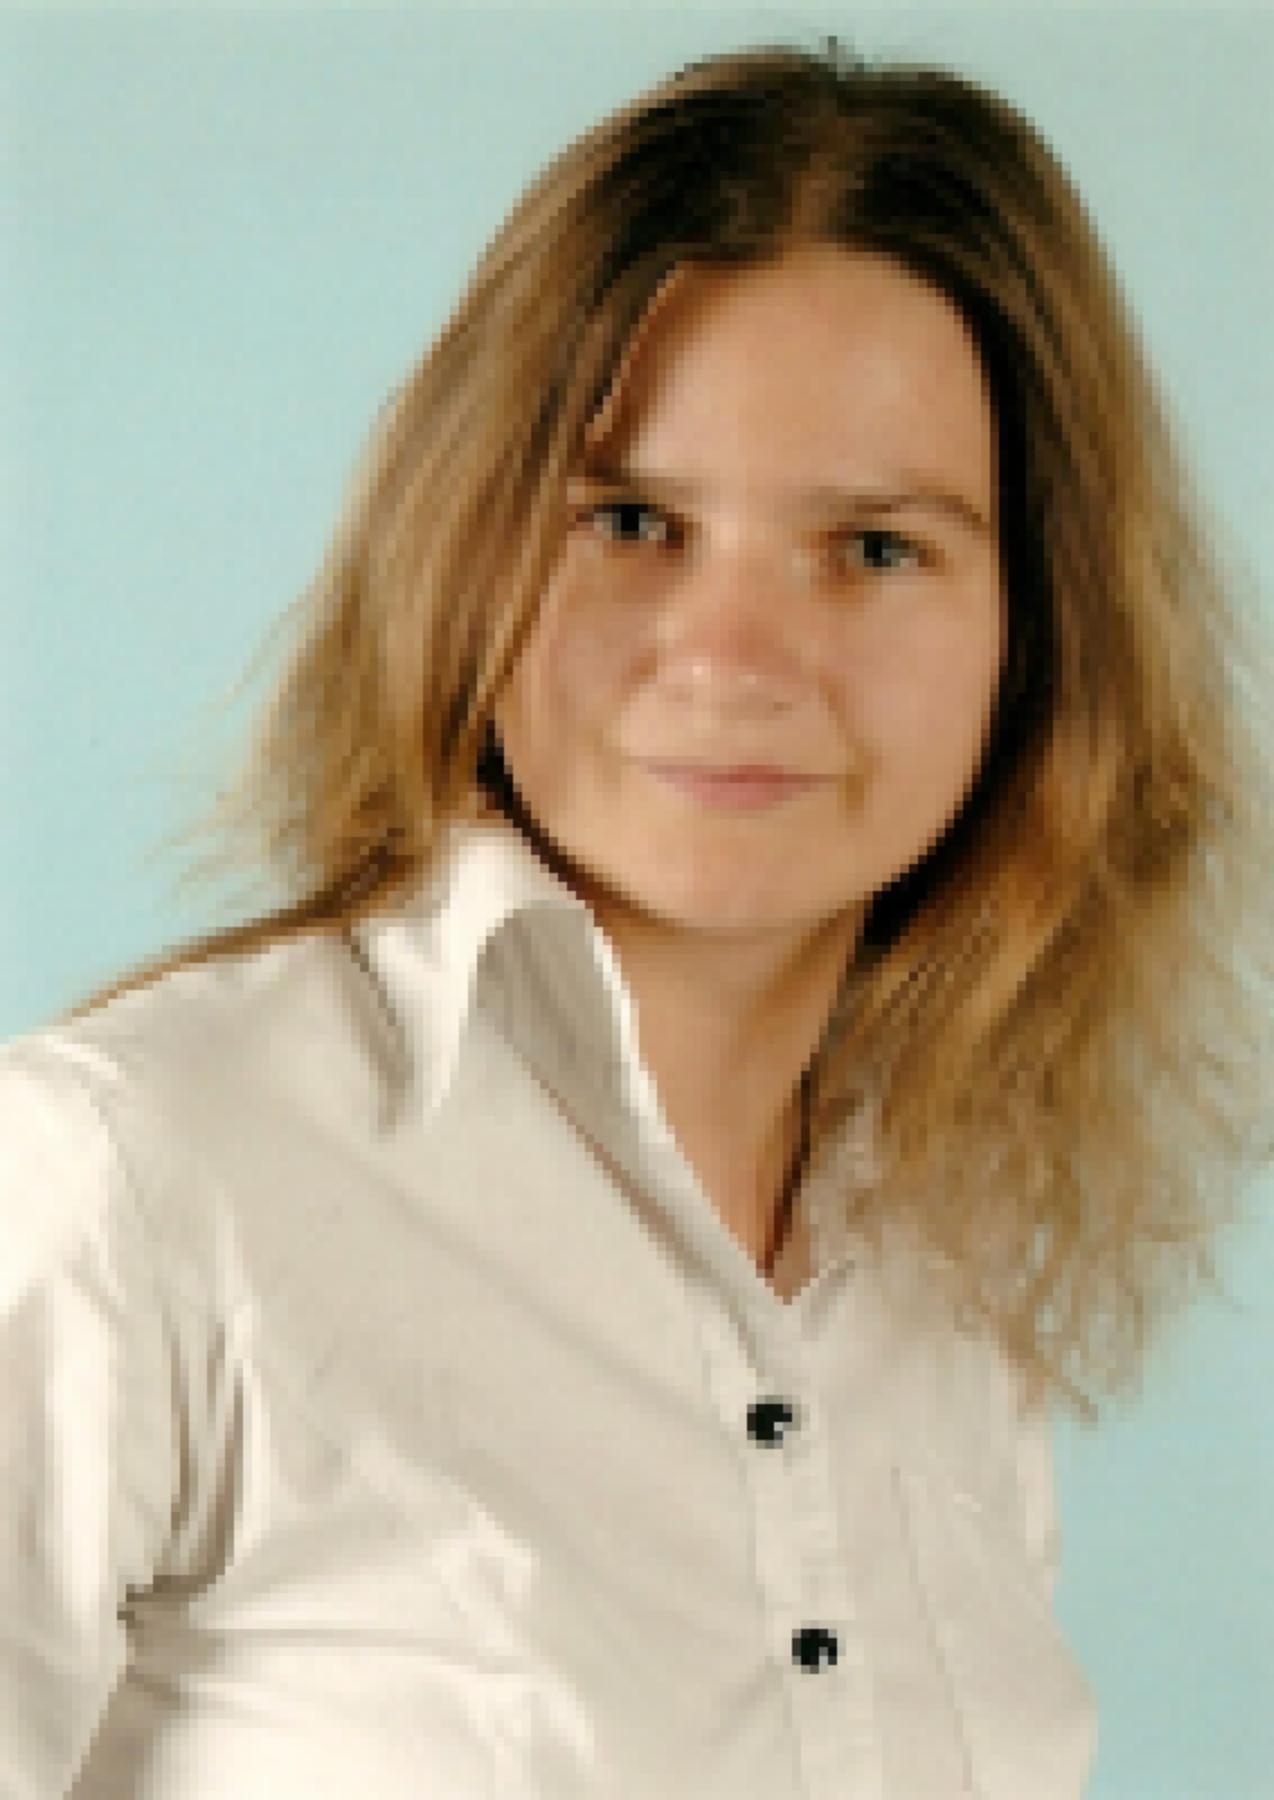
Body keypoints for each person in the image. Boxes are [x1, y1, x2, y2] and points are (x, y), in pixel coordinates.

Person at [3, 35, 1272, 1800]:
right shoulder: (129, 1175)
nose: (734, 660)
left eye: (876, 548)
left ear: (1038, 632)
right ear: (464, 549)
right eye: (628, 519)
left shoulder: (944, 1287)